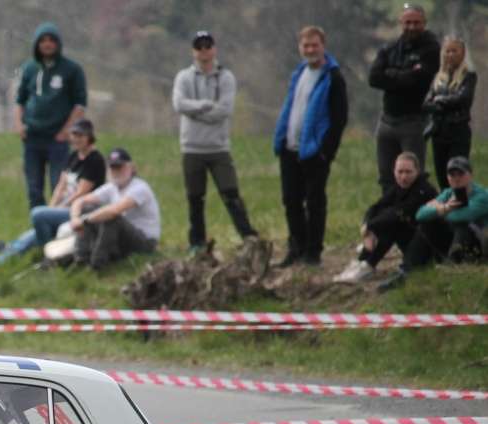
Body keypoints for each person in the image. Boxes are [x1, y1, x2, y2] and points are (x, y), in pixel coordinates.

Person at [0, 117, 104, 275]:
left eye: (80, 135)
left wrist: (53, 211)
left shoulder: (94, 160)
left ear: (89, 136)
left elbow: (81, 192)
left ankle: (47, 254)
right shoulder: (74, 156)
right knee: (21, 242)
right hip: (62, 210)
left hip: (79, 212)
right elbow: (60, 186)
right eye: (74, 134)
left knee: (37, 214)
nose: (75, 138)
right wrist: (52, 208)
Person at [171, 30, 258, 255]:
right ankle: (197, 243)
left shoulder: (226, 77)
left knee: (231, 194)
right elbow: (179, 104)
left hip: (219, 148)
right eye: (199, 47)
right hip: (191, 148)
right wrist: (204, 105)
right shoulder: (183, 77)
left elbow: (224, 111)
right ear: (193, 51)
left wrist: (194, 112)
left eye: (207, 46)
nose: (204, 51)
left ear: (214, 49)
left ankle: (249, 238)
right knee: (195, 199)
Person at [273, 26, 349, 268]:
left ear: (323, 45)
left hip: (314, 153)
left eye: (314, 45)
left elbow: (339, 119)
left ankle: (313, 252)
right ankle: (295, 248)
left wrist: (326, 152)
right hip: (290, 148)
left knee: (315, 203)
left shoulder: (333, 77)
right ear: (300, 47)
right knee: (291, 201)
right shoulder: (299, 73)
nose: (310, 50)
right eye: (306, 45)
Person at [380, 155, 488, 290]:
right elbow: (420, 214)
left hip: (477, 248)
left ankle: (454, 270)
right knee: (427, 224)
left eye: (460, 174)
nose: (456, 178)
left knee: (462, 226)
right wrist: (444, 208)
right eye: (452, 174)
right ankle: (406, 270)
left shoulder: (482, 196)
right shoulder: (448, 193)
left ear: (470, 175)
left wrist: (439, 209)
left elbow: (461, 216)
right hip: (452, 243)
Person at [15, 22, 88, 210]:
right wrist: (19, 125)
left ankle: (57, 222)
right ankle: (37, 223)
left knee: (59, 185)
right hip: (32, 136)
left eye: (51, 40)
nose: (47, 44)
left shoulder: (71, 70)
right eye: (43, 40)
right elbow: (20, 100)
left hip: (57, 138)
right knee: (34, 188)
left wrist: (66, 131)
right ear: (37, 44)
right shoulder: (29, 68)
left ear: (58, 43)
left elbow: (80, 104)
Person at [332, 151, 436, 283]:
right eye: (400, 172)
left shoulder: (423, 190)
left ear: (417, 171)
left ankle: (367, 265)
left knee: (393, 223)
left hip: (430, 248)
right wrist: (367, 226)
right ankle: (362, 262)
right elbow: (375, 207)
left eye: (408, 172)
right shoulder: (398, 187)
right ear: (394, 171)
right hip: (411, 242)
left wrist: (370, 227)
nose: (404, 176)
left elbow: (397, 214)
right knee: (385, 218)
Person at [368, 4, 440, 191]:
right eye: (408, 22)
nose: (412, 27)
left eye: (416, 22)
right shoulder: (391, 47)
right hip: (386, 121)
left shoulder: (431, 48)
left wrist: (391, 73)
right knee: (386, 177)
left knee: (412, 177)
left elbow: (419, 80)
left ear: (424, 23)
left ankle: (413, 209)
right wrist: (405, 74)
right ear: (401, 22)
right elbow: (374, 78)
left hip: (413, 122)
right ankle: (389, 209)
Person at [68, 147, 161, 270]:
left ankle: (97, 264)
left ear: (132, 168)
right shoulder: (112, 187)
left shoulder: (140, 188)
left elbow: (114, 211)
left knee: (112, 218)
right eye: (112, 167)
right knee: (87, 208)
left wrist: (84, 221)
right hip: (123, 237)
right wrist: (75, 218)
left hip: (145, 241)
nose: (116, 171)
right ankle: (81, 259)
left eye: (119, 167)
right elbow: (80, 201)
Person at [424, 37, 478, 190]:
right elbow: (426, 104)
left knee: (457, 174)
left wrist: (440, 101)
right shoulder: (438, 78)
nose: (451, 55)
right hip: (439, 132)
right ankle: (446, 203)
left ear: (462, 53)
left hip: (458, 132)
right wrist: (445, 103)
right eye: (447, 51)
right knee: (442, 176)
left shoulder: (469, 76)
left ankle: (460, 202)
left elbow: (463, 99)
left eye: (455, 51)